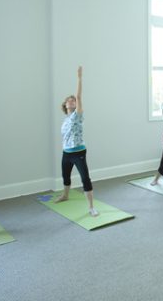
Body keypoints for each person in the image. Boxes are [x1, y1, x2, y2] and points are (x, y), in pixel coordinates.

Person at [55, 66, 98, 217]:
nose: (72, 101)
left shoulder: (77, 116)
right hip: (66, 153)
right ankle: (65, 195)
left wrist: (79, 78)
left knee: (85, 178)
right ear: (65, 105)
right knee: (65, 176)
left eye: (74, 100)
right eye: (69, 100)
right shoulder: (65, 120)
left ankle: (91, 207)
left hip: (78, 152)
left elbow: (79, 97)